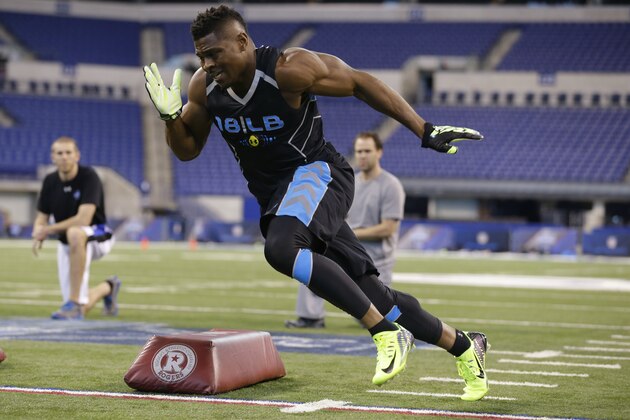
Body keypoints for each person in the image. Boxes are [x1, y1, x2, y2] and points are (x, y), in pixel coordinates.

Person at [143, 5, 488, 400]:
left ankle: (385, 333)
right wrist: (170, 118)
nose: (207, 64)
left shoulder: (287, 69)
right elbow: (187, 150)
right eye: (201, 56)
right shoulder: (204, 88)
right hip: (281, 197)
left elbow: (359, 83)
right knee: (376, 295)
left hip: (318, 174)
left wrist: (424, 129)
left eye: (214, 53)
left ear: (241, 42)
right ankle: (464, 346)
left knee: (281, 248)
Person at [285, 132, 405, 329]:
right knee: (310, 262)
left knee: (375, 318)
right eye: (359, 151)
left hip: (375, 261)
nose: (362, 156)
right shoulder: (350, 182)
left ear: (379, 153)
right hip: (345, 251)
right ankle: (311, 317)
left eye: (367, 151)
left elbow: (388, 228)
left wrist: (351, 235)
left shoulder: (391, 185)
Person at [32, 136, 121, 320]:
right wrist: (37, 231)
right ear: (52, 157)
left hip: (99, 234)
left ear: (77, 156)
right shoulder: (50, 181)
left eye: (68, 153)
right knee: (81, 307)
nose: (64, 157)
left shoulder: (89, 177)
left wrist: (47, 229)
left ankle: (73, 302)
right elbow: (41, 216)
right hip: (68, 242)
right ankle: (108, 288)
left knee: (75, 232)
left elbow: (83, 219)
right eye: (59, 153)